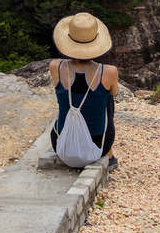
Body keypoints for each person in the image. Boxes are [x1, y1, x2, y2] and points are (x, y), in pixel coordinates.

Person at [49, 11, 119, 171]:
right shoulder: (109, 72)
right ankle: (109, 154)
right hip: (98, 145)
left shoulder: (55, 67)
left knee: (64, 105)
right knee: (108, 99)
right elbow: (112, 93)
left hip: (61, 145)